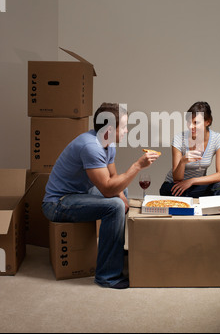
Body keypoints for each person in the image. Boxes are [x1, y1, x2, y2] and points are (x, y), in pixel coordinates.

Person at [42, 103, 160, 289]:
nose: (127, 131)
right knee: (115, 206)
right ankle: (107, 276)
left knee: (123, 192)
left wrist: (121, 195)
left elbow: (113, 178)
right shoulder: (90, 146)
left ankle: (115, 252)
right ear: (111, 129)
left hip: (80, 193)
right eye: (124, 126)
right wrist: (137, 166)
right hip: (58, 203)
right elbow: (106, 189)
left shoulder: (107, 142)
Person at [160, 101, 220, 198]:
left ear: (207, 122)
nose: (191, 126)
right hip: (175, 185)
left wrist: (192, 181)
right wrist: (183, 161)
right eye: (189, 122)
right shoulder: (179, 139)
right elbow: (177, 178)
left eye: (196, 122)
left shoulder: (217, 139)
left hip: (198, 185)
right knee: (178, 192)